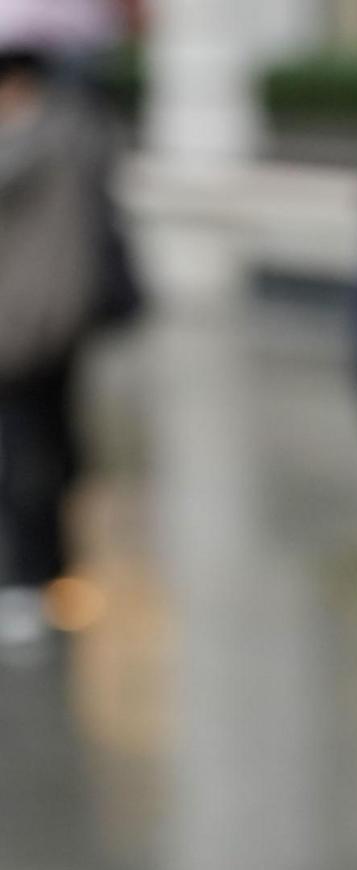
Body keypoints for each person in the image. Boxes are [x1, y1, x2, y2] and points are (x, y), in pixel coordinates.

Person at [0, 41, 116, 654]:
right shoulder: (83, 133)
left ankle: (28, 579)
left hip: (20, 325)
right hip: (63, 321)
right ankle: (51, 571)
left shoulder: (30, 145)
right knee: (52, 445)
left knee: (23, 454)